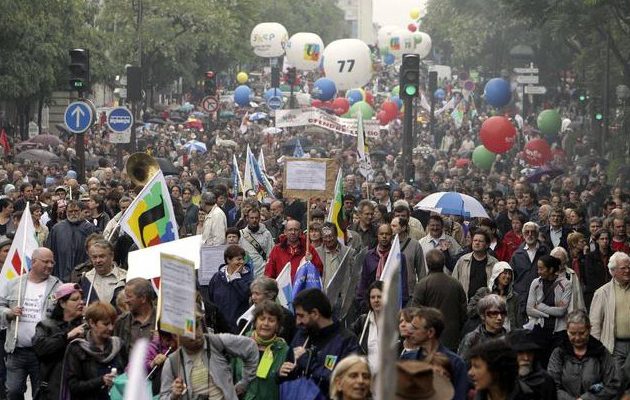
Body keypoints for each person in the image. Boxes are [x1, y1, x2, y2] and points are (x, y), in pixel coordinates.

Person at [0, 247, 61, 400]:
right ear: (33, 262)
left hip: (42, 353)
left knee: (40, 393)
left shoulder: (58, 286)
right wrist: (9, 313)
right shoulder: (14, 284)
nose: (49, 265)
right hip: (16, 350)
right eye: (45, 261)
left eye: (52, 262)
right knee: (13, 391)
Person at [279, 288, 360, 396]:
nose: (298, 322)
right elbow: (288, 372)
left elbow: (348, 383)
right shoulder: (302, 335)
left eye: (301, 316)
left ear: (315, 313)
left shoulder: (347, 341)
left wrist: (309, 363)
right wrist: (281, 373)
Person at [159, 314, 259, 400]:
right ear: (176, 336)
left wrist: (244, 382)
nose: (196, 334)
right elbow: (164, 396)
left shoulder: (216, 342)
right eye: (189, 332)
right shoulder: (172, 362)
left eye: (197, 326)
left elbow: (251, 347)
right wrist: (173, 396)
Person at [547, 310, 620, 399]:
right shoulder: (559, 353)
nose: (577, 338)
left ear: (589, 329)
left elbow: (612, 384)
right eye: (572, 333)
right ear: (567, 330)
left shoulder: (601, 352)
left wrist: (586, 398)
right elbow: (552, 385)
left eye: (582, 333)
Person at [62, 302, 127, 400]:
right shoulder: (77, 348)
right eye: (105, 324)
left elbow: (127, 373)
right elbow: (74, 386)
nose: (111, 328)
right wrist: (101, 380)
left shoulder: (118, 345)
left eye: (112, 323)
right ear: (92, 323)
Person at [32, 283, 86, 400]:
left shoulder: (85, 327)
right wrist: (67, 336)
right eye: (75, 299)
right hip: (53, 389)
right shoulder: (46, 326)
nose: (81, 302)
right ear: (62, 303)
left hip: (79, 389)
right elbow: (41, 349)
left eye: (81, 299)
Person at [403, 307, 470, 400]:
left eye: (415, 328)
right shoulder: (407, 359)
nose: (410, 332)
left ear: (430, 332)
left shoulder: (456, 363)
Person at [411, 249, 467, 351]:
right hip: (451, 337)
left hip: (428, 337)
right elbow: (463, 312)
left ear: (427, 264)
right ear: (444, 263)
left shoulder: (423, 284)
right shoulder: (456, 284)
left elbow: (415, 312)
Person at [235, 300, 289, 400]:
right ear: (255, 322)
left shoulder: (284, 351)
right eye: (262, 319)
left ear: (278, 325)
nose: (266, 323)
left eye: (271, 320)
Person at [524, 254, 571, 365]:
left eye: (541, 268)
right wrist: (547, 314)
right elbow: (529, 309)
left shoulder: (566, 284)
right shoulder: (536, 283)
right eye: (538, 268)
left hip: (558, 332)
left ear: (550, 269)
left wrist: (540, 307)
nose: (538, 271)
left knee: (556, 363)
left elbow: (561, 311)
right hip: (540, 329)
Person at [589, 251, 630, 373]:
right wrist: (596, 350)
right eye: (623, 268)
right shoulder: (602, 293)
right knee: (616, 379)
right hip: (614, 346)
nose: (627, 270)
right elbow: (594, 324)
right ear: (613, 271)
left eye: (629, 267)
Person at [356, 223, 408, 312]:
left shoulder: (398, 256)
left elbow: (402, 282)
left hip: (391, 305)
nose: (384, 237)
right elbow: (363, 280)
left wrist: (401, 303)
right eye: (381, 234)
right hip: (372, 305)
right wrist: (363, 302)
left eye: (387, 234)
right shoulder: (369, 256)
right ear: (377, 235)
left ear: (392, 236)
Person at [201, 244, 253, 333]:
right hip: (220, 329)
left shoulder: (247, 277)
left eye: (242, 259)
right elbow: (210, 300)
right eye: (238, 259)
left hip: (240, 328)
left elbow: (246, 295)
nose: (242, 262)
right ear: (228, 260)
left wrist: (236, 279)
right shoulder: (217, 278)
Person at [46, 200, 98, 282]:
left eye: (76, 211)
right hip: (61, 275)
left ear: (80, 211)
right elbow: (50, 251)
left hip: (83, 275)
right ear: (66, 212)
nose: (73, 213)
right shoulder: (57, 229)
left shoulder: (89, 228)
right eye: (70, 211)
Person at [467, 261, 522, 334]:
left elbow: (518, 320)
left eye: (509, 274)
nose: (508, 276)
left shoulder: (514, 297)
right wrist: (484, 304)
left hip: (508, 335)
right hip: (487, 334)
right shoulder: (484, 292)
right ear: (497, 274)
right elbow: (470, 311)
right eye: (505, 273)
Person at [510, 222, 550, 319]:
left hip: (541, 298)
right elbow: (512, 277)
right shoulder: (517, 254)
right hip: (521, 299)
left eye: (533, 232)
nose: (530, 235)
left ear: (537, 234)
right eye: (527, 232)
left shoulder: (545, 251)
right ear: (523, 235)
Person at [238, 276, 296, 342]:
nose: (253, 297)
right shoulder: (249, 315)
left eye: (257, 294)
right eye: (252, 293)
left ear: (270, 295)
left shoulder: (286, 315)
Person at [505, 329, 556, 400]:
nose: (526, 358)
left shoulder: (545, 381)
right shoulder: (501, 381)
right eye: (520, 352)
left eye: (529, 352)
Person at [113, 277, 157, 356]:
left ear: (143, 298)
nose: (126, 301)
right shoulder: (121, 322)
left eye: (129, 297)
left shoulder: (161, 320)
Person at [452, 229, 499, 299]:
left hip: (486, 304)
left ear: (487, 245)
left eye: (480, 241)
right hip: (466, 304)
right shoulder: (463, 261)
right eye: (475, 240)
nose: (477, 243)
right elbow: (454, 282)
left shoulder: (494, 263)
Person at [458, 294, 508, 360]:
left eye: (503, 313)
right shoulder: (472, 339)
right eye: (494, 313)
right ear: (483, 316)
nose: (499, 318)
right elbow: (462, 365)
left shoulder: (510, 338)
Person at [79, 240, 126, 305]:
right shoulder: (85, 278)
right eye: (94, 257)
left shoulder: (125, 277)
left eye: (102, 256)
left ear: (112, 256)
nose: (98, 260)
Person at [351, 281, 383, 371]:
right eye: (372, 297)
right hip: (367, 378)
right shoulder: (363, 321)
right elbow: (347, 339)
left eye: (379, 297)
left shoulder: (395, 321)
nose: (376, 300)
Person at [391, 216, 426, 296]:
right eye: (391, 225)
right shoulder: (389, 244)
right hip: (392, 290)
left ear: (403, 227)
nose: (391, 228)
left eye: (394, 226)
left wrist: (421, 291)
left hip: (409, 290)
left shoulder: (414, 245)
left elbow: (421, 270)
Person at [239, 207, 274, 277]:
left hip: (262, 273)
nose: (254, 220)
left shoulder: (266, 234)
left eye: (256, 218)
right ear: (247, 219)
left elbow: (271, 254)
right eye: (252, 218)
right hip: (246, 272)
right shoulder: (241, 234)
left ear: (259, 219)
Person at [583, 228, 613, 308]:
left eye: (606, 239)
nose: (605, 241)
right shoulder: (590, 257)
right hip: (595, 293)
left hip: (612, 292)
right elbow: (589, 277)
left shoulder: (614, 255)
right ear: (597, 240)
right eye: (602, 239)